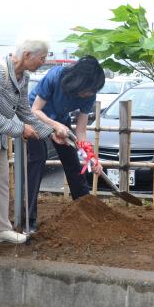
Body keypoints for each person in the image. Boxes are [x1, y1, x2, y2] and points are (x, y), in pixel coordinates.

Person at [0, 36, 64, 255]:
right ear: (27, 55)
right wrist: (19, 130)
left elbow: (25, 113)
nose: (43, 62)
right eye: (41, 58)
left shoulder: (22, 76)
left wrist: (51, 133)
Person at [26, 56, 106, 232]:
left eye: (94, 90)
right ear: (79, 82)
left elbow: (81, 132)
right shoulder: (55, 77)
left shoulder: (89, 96)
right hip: (35, 118)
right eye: (89, 89)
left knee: (72, 163)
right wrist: (54, 126)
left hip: (60, 122)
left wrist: (91, 157)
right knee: (38, 159)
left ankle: (85, 209)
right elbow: (35, 110)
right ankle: (28, 219)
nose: (91, 94)